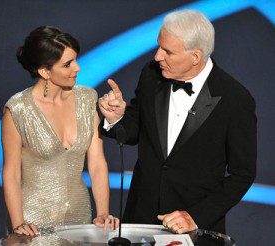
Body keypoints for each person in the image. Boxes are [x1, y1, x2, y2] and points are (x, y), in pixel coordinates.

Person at [99, 10, 256, 234]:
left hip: (193, 230)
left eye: (168, 52)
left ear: (195, 56)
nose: (157, 56)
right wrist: (116, 120)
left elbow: (243, 174)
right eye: (159, 46)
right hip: (140, 218)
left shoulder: (235, 99)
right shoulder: (151, 75)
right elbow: (135, 130)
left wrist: (196, 217)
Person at [2, 26, 118, 240]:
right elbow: (11, 173)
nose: (78, 68)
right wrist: (18, 222)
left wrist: (103, 212)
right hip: (33, 222)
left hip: (80, 216)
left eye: (75, 59)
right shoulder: (18, 110)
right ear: (45, 71)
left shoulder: (87, 100)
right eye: (68, 64)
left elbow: (97, 163)